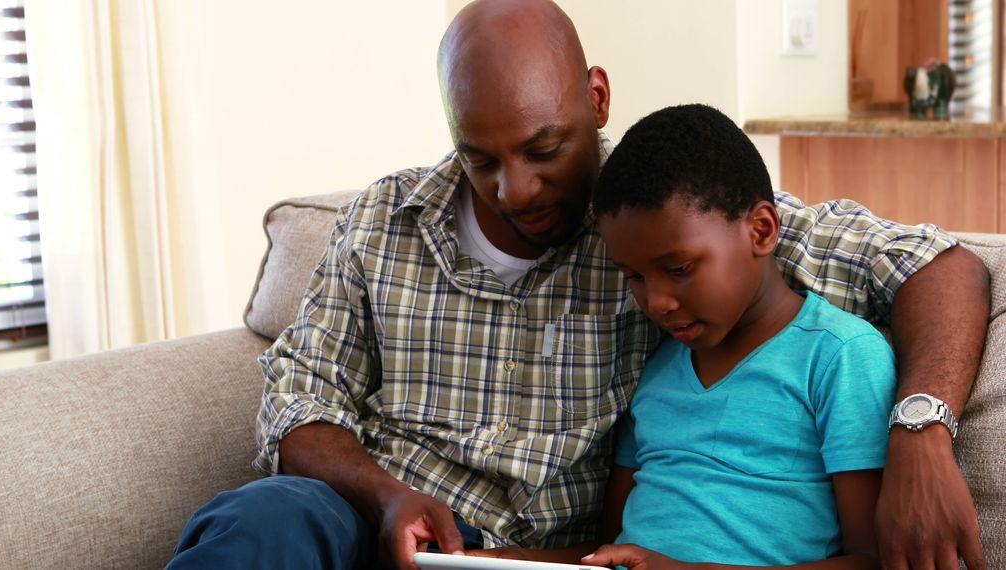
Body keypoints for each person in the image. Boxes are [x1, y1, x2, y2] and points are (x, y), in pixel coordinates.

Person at [167, 1, 990, 569]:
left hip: (542, 559)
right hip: (372, 527)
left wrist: (922, 429)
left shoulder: (664, 223)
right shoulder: (386, 220)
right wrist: (387, 498)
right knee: (261, 519)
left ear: (595, 99)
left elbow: (938, 266)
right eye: (479, 159)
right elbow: (299, 400)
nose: (514, 190)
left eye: (544, 149)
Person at [575, 103, 894, 569]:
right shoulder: (657, 367)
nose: (657, 302)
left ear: (761, 230)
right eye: (635, 277)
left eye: (679, 268)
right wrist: (502, 559)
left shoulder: (840, 357)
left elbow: (872, 560)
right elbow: (608, 553)